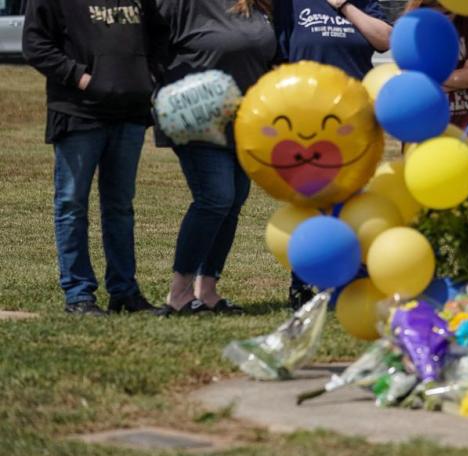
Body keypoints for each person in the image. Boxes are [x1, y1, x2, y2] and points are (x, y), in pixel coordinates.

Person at [23, 0, 163, 315]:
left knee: (120, 207)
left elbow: (160, 35)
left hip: (129, 113)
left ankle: (125, 293)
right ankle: (79, 296)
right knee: (72, 206)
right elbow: (35, 44)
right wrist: (82, 77)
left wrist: (149, 76)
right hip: (78, 113)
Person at [154, 0, 277, 315]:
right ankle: (178, 294)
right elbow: (148, 41)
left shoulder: (258, 4)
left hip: (245, 121)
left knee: (234, 200)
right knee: (215, 198)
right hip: (198, 120)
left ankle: (206, 289)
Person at [274, 0, 391, 310]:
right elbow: (279, 56)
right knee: (312, 204)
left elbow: (385, 39)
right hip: (307, 123)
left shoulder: (364, 3)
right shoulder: (293, 4)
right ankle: (304, 283)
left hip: (354, 122)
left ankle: (352, 282)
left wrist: (344, 6)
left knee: (352, 204)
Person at [405, 0, 468, 168]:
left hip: (465, 126)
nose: (442, 9)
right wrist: (457, 78)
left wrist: (428, 83)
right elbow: (409, 77)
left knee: (464, 191)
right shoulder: (413, 22)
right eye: (433, 5)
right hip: (423, 125)